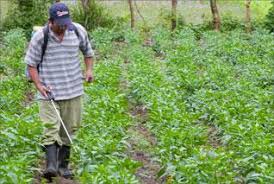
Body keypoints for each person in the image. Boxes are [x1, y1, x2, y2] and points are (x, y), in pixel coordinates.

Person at [24, 2, 94, 179]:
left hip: (73, 90)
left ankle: (63, 166)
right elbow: (31, 64)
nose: (63, 27)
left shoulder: (77, 30)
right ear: (51, 21)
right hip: (49, 92)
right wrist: (39, 85)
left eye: (66, 23)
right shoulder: (41, 37)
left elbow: (88, 53)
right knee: (51, 128)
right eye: (60, 24)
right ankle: (51, 166)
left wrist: (89, 70)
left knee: (69, 129)